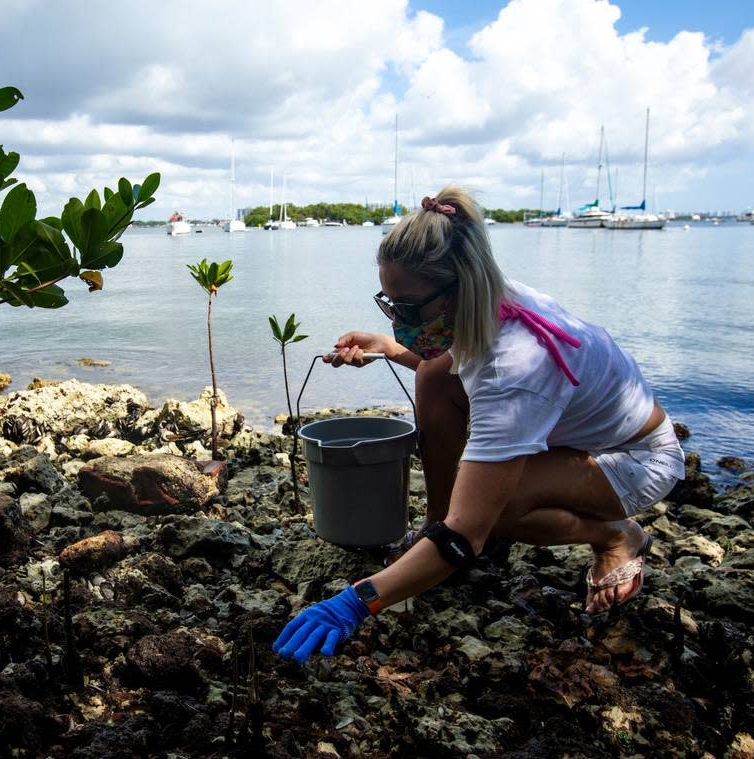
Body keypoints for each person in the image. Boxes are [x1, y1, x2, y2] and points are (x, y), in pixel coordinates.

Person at [273, 187, 685, 664]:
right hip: (571, 443)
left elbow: (467, 532)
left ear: (459, 285)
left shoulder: (515, 367)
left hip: (635, 459)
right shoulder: (486, 299)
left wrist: (355, 603)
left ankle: (616, 536)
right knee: (433, 372)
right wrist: (389, 345)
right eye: (389, 303)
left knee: (493, 511)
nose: (398, 318)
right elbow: (457, 367)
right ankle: (433, 524)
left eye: (407, 309)